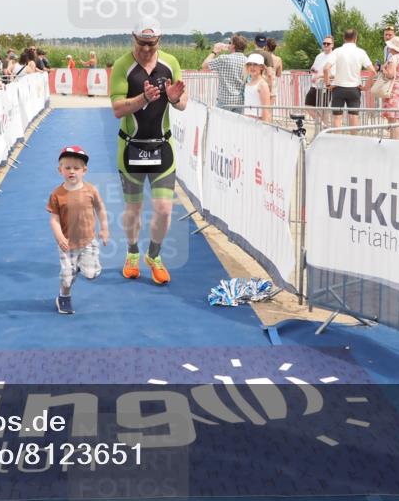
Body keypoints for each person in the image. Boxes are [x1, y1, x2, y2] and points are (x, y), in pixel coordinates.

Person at [110, 17, 187, 285]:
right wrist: (144, 98)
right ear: (132, 38)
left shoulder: (170, 63)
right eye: (141, 43)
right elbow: (118, 109)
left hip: (162, 147)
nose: (145, 49)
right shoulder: (122, 66)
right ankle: (132, 253)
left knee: (164, 209)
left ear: (159, 41)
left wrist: (175, 97)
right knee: (133, 210)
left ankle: (154, 256)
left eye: (151, 44)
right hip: (131, 147)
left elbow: (182, 103)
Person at [46, 145, 109, 315]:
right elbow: (54, 219)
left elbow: (100, 209)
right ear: (60, 170)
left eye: (76, 168)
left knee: (91, 274)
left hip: (88, 241)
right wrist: (60, 238)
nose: (72, 171)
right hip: (67, 244)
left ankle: (82, 266)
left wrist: (104, 228)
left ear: (84, 170)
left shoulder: (90, 190)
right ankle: (64, 297)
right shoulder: (57, 194)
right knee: (67, 277)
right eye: (67, 168)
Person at [324, 28, 374, 130]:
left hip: (338, 88)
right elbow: (373, 71)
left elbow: (326, 68)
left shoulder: (337, 51)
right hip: (354, 89)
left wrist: (328, 84)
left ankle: (338, 142)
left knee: (337, 118)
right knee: (353, 116)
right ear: (355, 38)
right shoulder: (361, 52)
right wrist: (366, 87)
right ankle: (353, 141)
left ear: (344, 38)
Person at [201, 35, 249, 109]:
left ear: (233, 46)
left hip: (225, 101)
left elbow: (204, 65)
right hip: (240, 101)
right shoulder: (247, 61)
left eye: (230, 43)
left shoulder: (224, 58)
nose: (228, 45)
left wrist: (214, 52)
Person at [305, 36, 335, 122]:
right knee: (307, 106)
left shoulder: (334, 56)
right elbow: (313, 68)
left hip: (326, 87)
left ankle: (324, 129)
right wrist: (313, 70)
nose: (325, 45)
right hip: (315, 86)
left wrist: (319, 76)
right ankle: (321, 124)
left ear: (332, 45)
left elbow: (333, 75)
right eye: (324, 43)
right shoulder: (319, 56)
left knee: (323, 110)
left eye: (328, 43)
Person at [243, 53, 272, 121]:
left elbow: (265, 109)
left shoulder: (262, 84)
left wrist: (264, 127)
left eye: (255, 64)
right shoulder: (248, 83)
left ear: (261, 67)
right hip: (247, 120)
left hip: (257, 122)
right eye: (249, 64)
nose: (252, 67)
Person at [263, 37, 282, 105]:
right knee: (269, 110)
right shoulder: (278, 59)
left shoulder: (263, 57)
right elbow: (279, 74)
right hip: (273, 85)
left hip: (263, 83)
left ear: (266, 47)